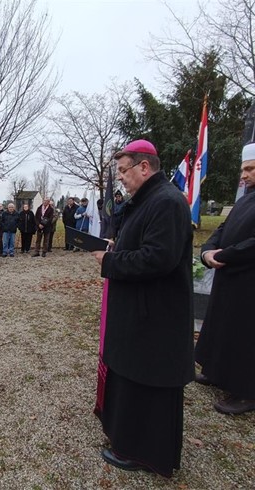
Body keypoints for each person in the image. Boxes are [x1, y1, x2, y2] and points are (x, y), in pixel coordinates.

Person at [91, 140, 194, 477]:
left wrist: (111, 261)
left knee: (147, 384)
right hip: (140, 311)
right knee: (133, 378)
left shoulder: (166, 201)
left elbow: (158, 258)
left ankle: (144, 452)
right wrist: (116, 247)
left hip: (156, 317)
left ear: (144, 167)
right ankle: (128, 439)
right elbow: (142, 244)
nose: (120, 178)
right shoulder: (148, 200)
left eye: (124, 170)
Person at [194, 142, 255, 415]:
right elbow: (223, 227)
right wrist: (208, 251)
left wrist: (226, 254)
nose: (244, 175)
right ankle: (217, 371)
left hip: (249, 279)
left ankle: (246, 391)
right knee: (222, 326)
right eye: (243, 169)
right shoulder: (245, 200)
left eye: (250, 169)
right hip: (229, 275)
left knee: (245, 335)